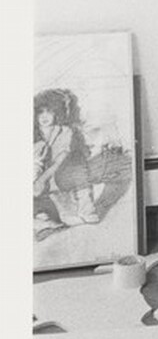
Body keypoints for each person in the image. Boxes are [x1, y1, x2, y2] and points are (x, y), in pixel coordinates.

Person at [33, 88, 100, 236]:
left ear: (56, 112)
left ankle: (87, 209)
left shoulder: (65, 131)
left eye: (49, 111)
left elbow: (61, 158)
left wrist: (41, 179)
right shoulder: (32, 133)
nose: (44, 117)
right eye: (40, 112)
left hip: (58, 175)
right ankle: (44, 220)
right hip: (37, 180)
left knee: (78, 164)